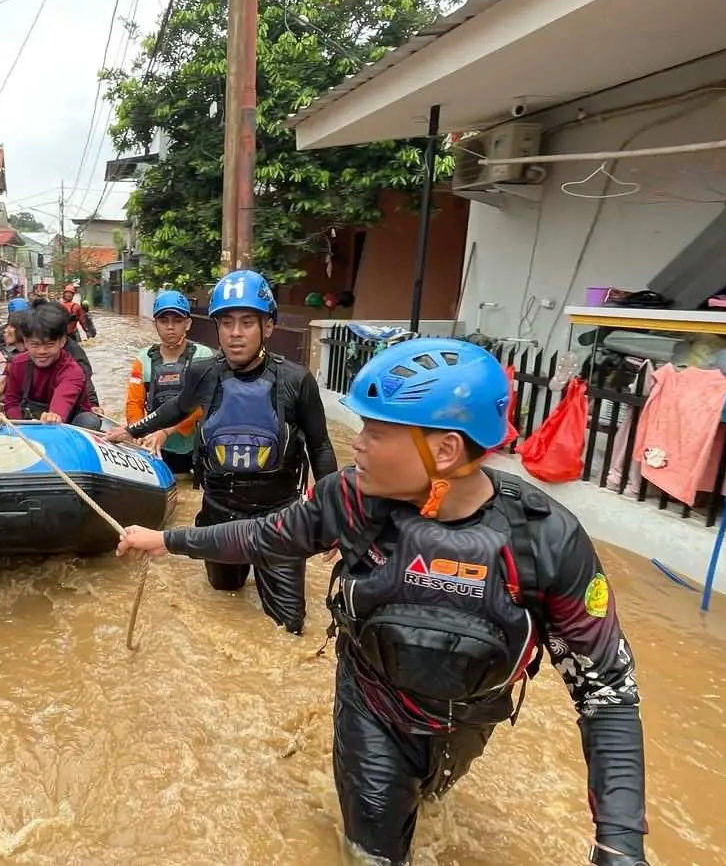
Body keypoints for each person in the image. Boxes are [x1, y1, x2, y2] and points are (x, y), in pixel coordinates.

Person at [115, 337, 649, 866]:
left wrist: (618, 844)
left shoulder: (546, 540)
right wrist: (165, 541)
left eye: (377, 431)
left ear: (444, 450)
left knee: (430, 799)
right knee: (374, 847)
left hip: (468, 719)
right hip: (371, 708)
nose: (359, 445)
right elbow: (264, 535)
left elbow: (606, 691)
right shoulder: (350, 501)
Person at [105, 270, 335, 634]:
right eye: (226, 322)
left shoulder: (295, 380)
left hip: (279, 519)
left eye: (247, 322)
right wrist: (130, 430)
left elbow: (321, 446)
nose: (235, 332)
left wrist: (332, 514)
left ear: (268, 326)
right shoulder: (202, 373)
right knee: (224, 596)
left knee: (288, 629)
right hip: (220, 514)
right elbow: (176, 410)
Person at [126, 290, 215, 475]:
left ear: (188, 323)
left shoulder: (203, 356)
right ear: (155, 324)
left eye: (177, 320)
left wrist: (166, 432)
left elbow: (201, 406)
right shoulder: (143, 359)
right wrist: (138, 433)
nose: (170, 327)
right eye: (164, 321)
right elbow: (134, 403)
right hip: (155, 446)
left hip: (194, 447)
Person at [3, 300, 103, 430]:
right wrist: (21, 427)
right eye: (35, 344)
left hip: (68, 422)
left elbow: (63, 401)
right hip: (29, 422)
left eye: (50, 344)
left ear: (62, 342)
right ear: (25, 342)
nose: (42, 351)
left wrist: (54, 416)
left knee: (89, 420)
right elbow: (12, 402)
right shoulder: (17, 363)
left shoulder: (73, 371)